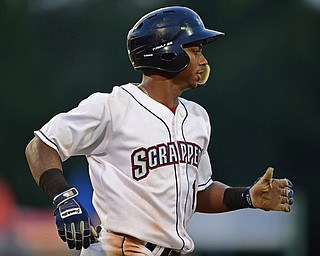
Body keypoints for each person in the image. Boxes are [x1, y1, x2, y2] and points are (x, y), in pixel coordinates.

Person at [25, 6, 294, 256]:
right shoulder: (112, 107)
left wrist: (247, 196)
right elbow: (41, 146)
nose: (203, 61)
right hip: (119, 249)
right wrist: (64, 198)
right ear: (168, 54)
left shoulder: (197, 118)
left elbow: (198, 191)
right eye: (195, 50)